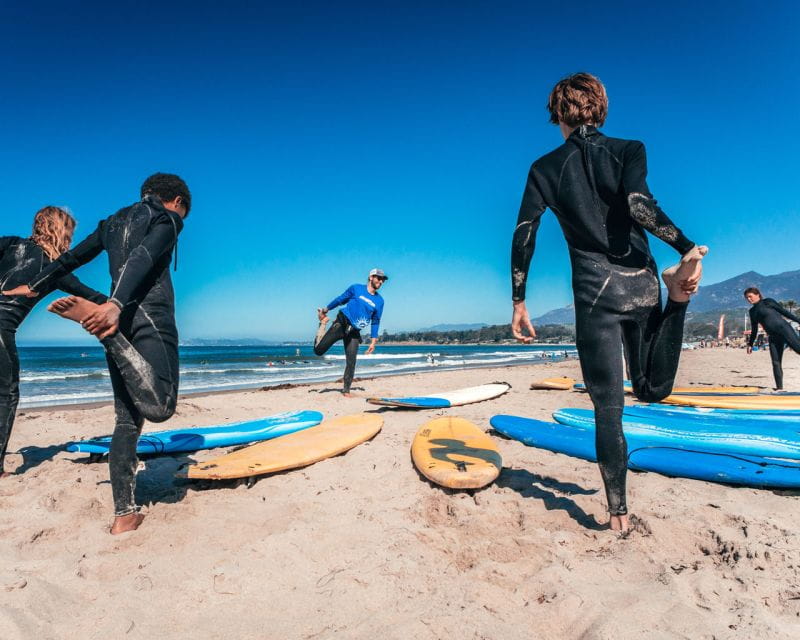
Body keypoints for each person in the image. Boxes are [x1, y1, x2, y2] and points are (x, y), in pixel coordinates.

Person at [509, 73, 707, 531]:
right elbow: (639, 206)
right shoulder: (629, 149)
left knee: (608, 407)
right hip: (640, 280)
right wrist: (684, 246)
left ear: (557, 113)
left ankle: (617, 513)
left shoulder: (543, 168)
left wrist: (519, 300)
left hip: (594, 294)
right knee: (654, 389)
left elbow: (524, 235)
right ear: (601, 109)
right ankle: (678, 297)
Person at [3, 173, 190, 534]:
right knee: (161, 406)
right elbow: (144, 254)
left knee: (126, 421)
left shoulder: (111, 222)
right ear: (177, 201)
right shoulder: (168, 217)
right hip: (143, 317)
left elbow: (69, 259)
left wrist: (36, 286)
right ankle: (109, 337)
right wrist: (115, 307)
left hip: (114, 316)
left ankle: (125, 514)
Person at [0, 207, 106, 478]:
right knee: (6, 395)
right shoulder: (53, 267)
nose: (69, 240)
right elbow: (92, 296)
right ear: (60, 231)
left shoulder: (9, 243)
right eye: (69, 233)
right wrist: (124, 305)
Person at [313, 269, 387, 397]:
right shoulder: (356, 288)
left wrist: (373, 342)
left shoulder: (380, 301)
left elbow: (375, 321)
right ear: (371, 277)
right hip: (341, 324)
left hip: (354, 333)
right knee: (319, 351)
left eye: (383, 279)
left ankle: (346, 390)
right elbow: (340, 299)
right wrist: (325, 310)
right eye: (378, 278)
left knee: (351, 362)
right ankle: (323, 323)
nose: (381, 281)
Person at [744, 287, 800, 390]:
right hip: (773, 337)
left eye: (750, 296)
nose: (749, 299)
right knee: (776, 362)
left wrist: (799, 320)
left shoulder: (768, 302)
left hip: (784, 330)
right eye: (747, 298)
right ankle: (779, 388)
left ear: (757, 295)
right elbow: (754, 329)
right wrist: (750, 344)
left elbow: (784, 312)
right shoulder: (752, 312)